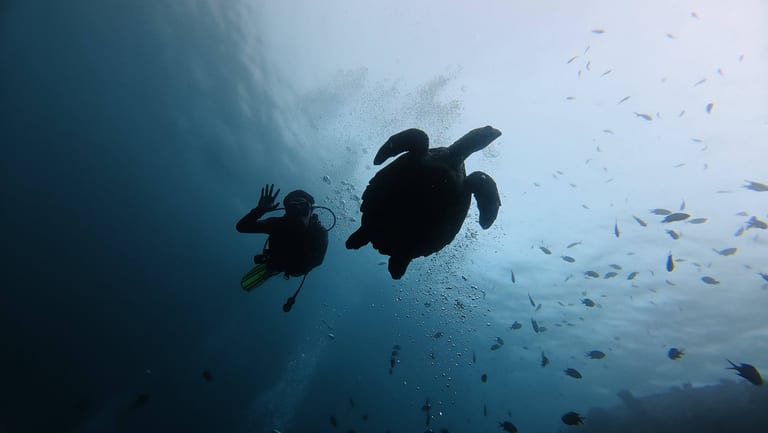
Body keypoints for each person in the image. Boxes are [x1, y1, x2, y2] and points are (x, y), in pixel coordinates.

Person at [236, 184, 328, 298]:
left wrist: (284, 264)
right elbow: (242, 227)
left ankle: (274, 266)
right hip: (278, 261)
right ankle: (273, 265)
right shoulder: (277, 224)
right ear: (287, 211)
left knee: (280, 266)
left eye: (303, 206)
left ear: (311, 211)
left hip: (293, 266)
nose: (298, 211)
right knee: (275, 265)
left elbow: (316, 261)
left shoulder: (318, 232)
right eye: (293, 207)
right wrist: (259, 210)